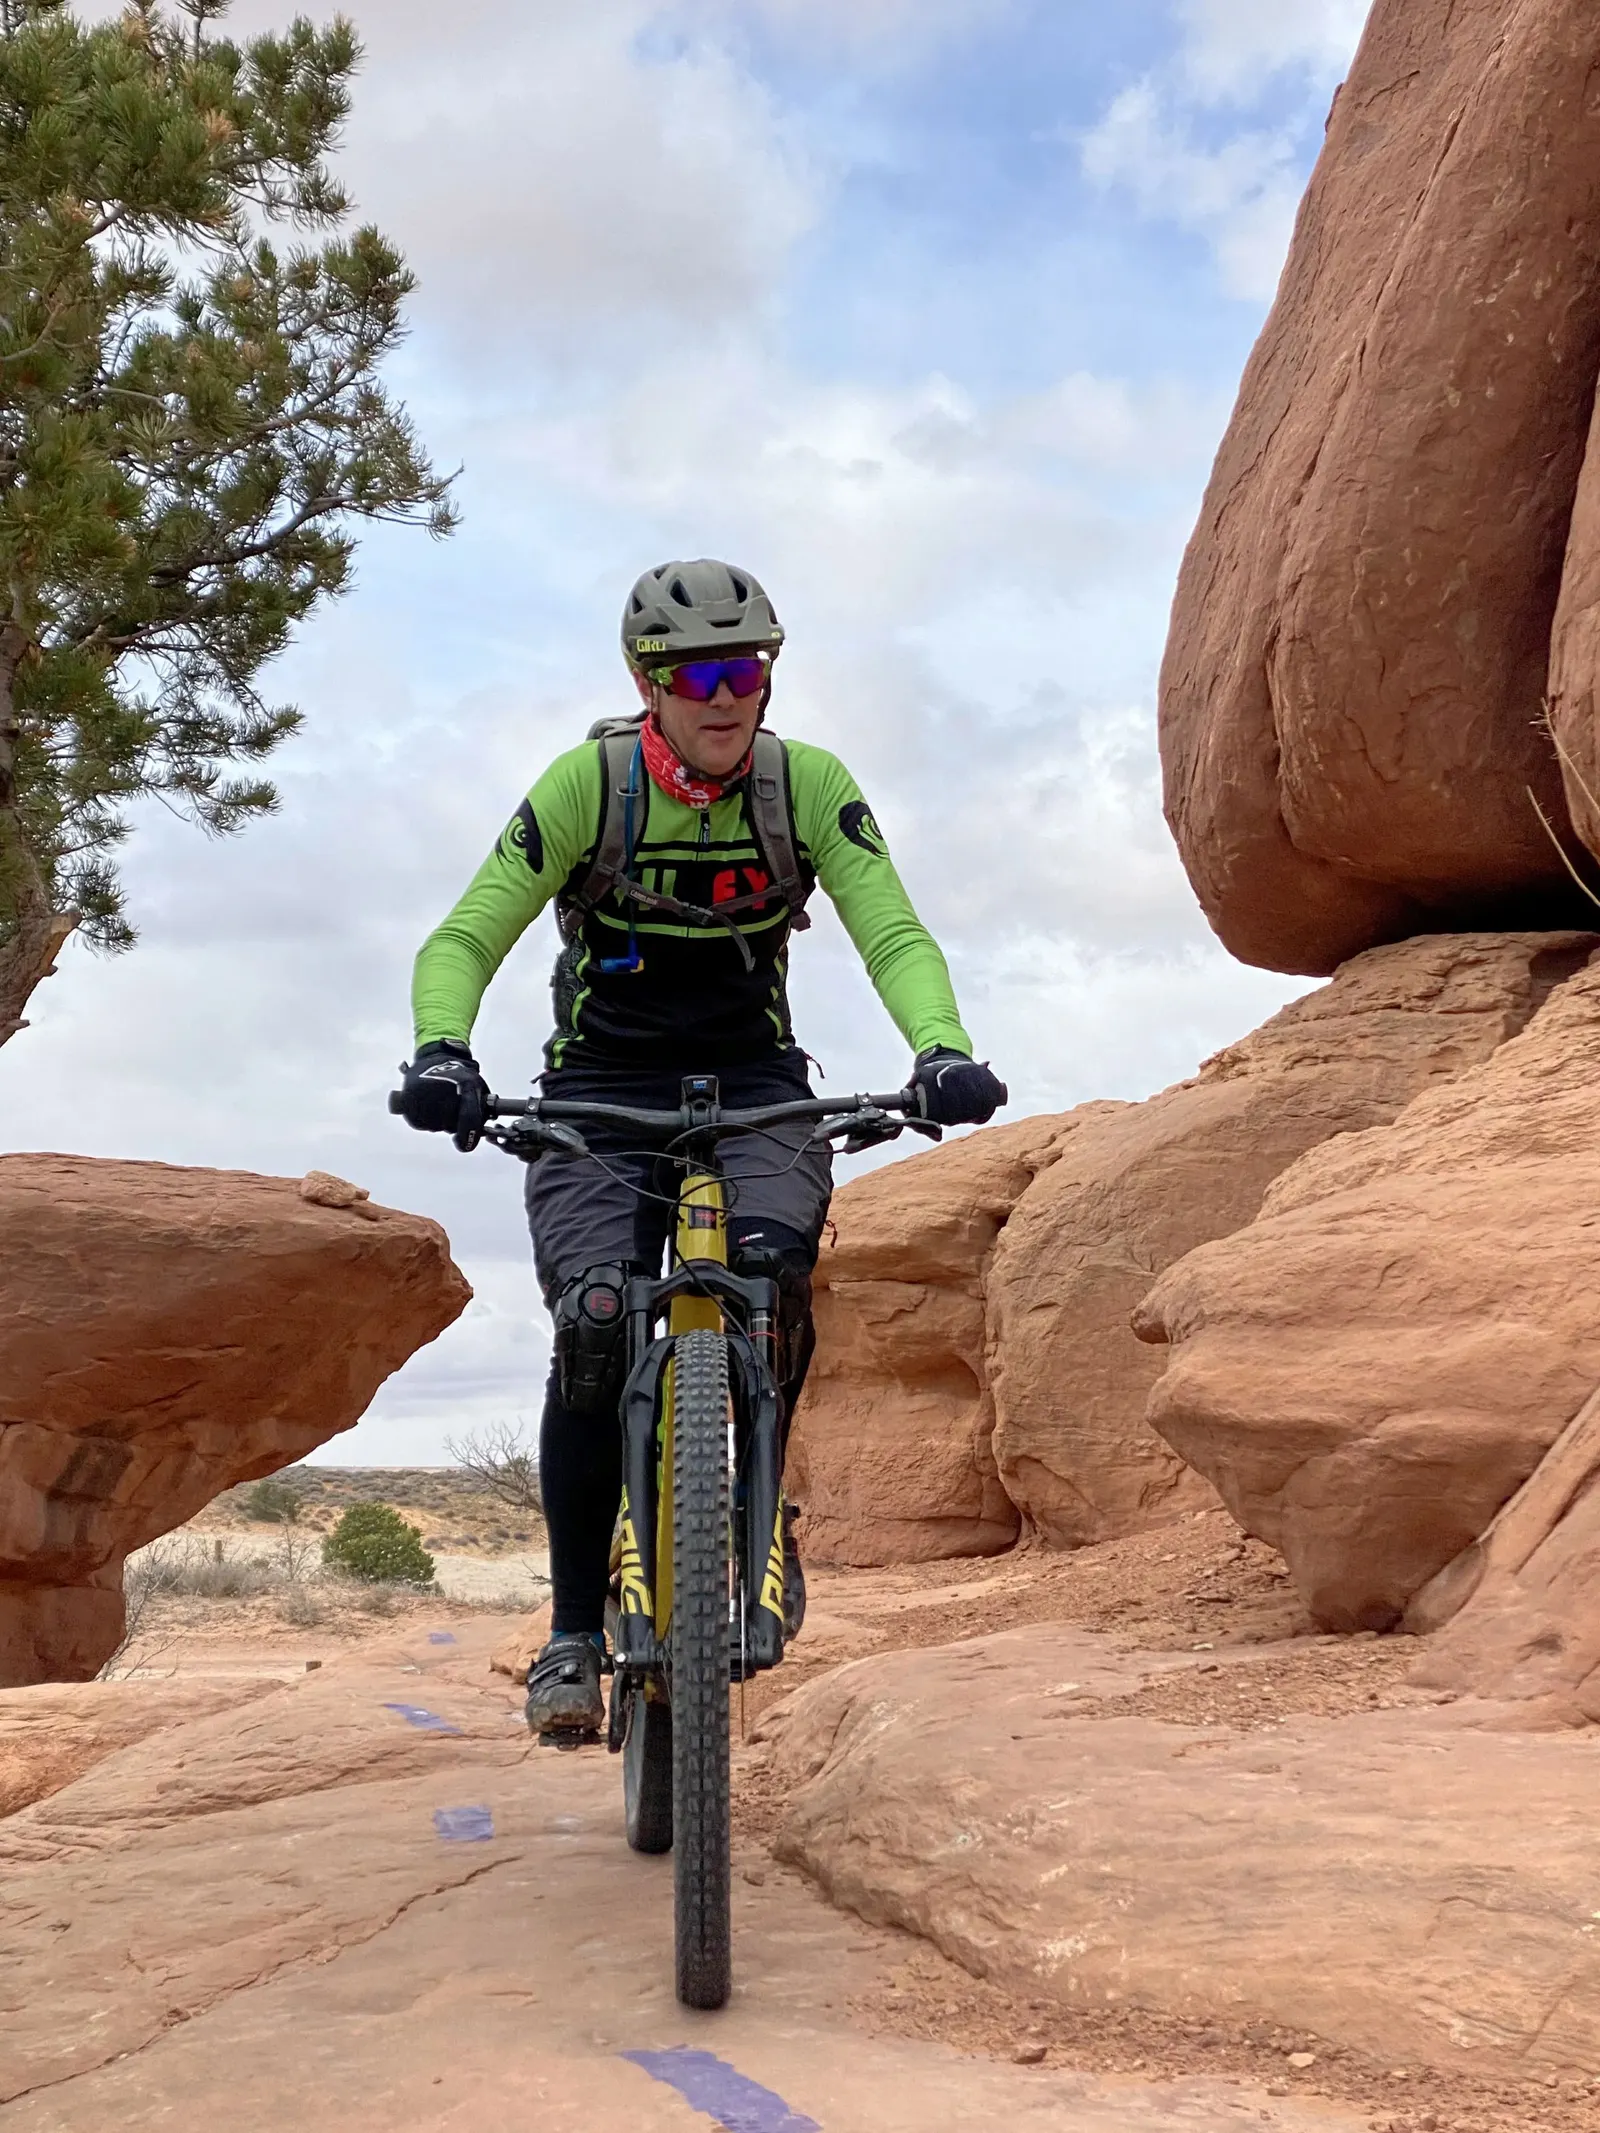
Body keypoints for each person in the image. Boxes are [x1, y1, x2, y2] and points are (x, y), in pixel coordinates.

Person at [396, 559, 1006, 1740]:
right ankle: (573, 1631)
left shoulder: (804, 785)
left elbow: (894, 931)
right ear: (647, 683)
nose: (729, 696)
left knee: (774, 1280)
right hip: (600, 1090)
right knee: (593, 1320)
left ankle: (754, 1502)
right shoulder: (593, 785)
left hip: (758, 1083)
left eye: (749, 669)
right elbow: (467, 931)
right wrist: (440, 1050)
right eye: (699, 675)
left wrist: (941, 1048)